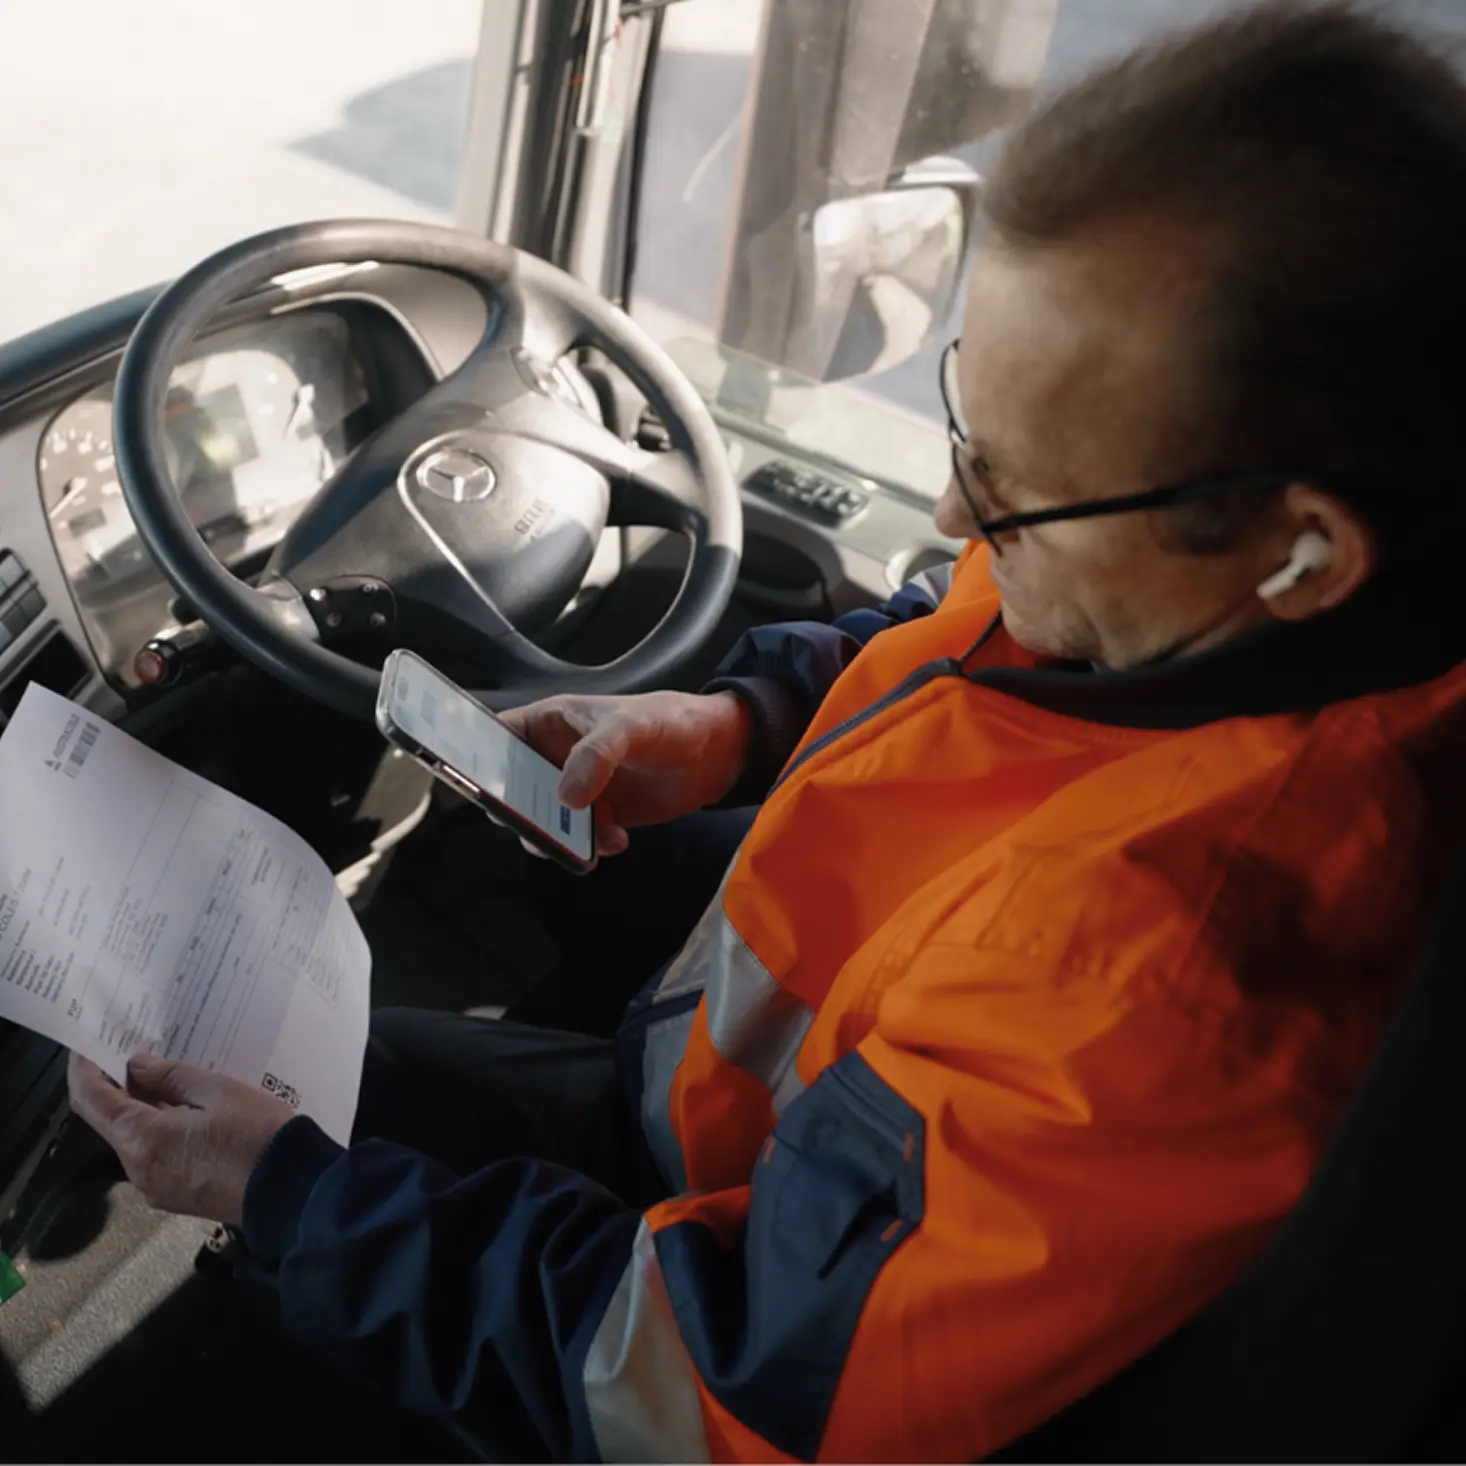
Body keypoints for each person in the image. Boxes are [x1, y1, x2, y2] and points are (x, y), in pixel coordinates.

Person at [67, 2, 1466, 1459]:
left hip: (707, 1287)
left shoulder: (1155, 989)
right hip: (705, 1135)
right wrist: (732, 719)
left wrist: (289, 1197)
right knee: (348, 1081)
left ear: (1303, 549)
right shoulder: (1172, 580)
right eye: (958, 432)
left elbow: (717, 1390)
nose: (951, 516)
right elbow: (949, 628)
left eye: (1009, 487)